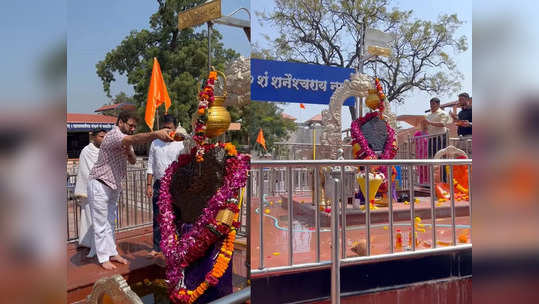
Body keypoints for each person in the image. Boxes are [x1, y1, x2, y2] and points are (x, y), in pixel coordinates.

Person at [88, 110, 173, 270]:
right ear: (120, 123)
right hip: (99, 184)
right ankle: (103, 257)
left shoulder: (126, 141)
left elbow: (133, 161)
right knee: (100, 223)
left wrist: (128, 153)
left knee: (110, 222)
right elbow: (134, 138)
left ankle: (112, 252)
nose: (133, 129)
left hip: (113, 185)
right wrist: (155, 134)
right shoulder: (114, 135)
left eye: (135, 126)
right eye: (131, 125)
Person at [146, 115, 184, 257]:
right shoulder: (155, 143)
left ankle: (177, 244)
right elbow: (150, 164)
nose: (167, 130)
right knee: (158, 216)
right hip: (159, 185)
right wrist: (149, 184)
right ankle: (157, 247)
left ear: (175, 128)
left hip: (176, 185)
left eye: (169, 127)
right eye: (164, 127)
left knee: (177, 216)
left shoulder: (181, 143)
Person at [74, 129, 106, 257]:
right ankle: (92, 244)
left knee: (102, 220)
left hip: (104, 190)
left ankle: (102, 245)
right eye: (101, 136)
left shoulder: (105, 150)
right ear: (93, 137)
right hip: (89, 190)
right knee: (91, 219)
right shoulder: (86, 151)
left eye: (105, 136)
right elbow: (85, 171)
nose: (104, 139)